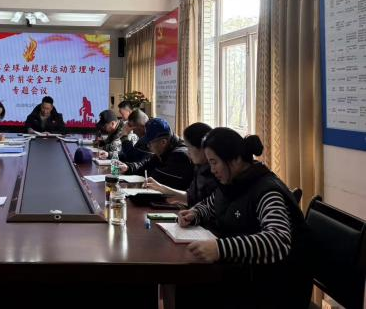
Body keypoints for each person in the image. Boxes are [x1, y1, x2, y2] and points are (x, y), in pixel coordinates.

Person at [177, 127, 312, 309]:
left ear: (235, 160)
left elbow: (278, 239)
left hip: (274, 288)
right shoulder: (233, 182)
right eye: (210, 163)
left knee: (190, 290)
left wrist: (220, 249)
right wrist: (195, 213)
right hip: (247, 275)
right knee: (186, 287)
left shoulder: (267, 191)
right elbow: (212, 203)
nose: (212, 170)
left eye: (215, 162)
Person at [145, 122, 217, 207]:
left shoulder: (215, 172)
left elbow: (209, 206)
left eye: (189, 147)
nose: (188, 152)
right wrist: (160, 187)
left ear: (202, 147)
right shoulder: (199, 167)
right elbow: (190, 197)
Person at [118, 118, 193, 191]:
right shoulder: (164, 149)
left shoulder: (180, 156)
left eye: (150, 143)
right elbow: (146, 165)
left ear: (163, 142)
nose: (148, 146)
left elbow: (157, 178)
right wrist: (128, 168)